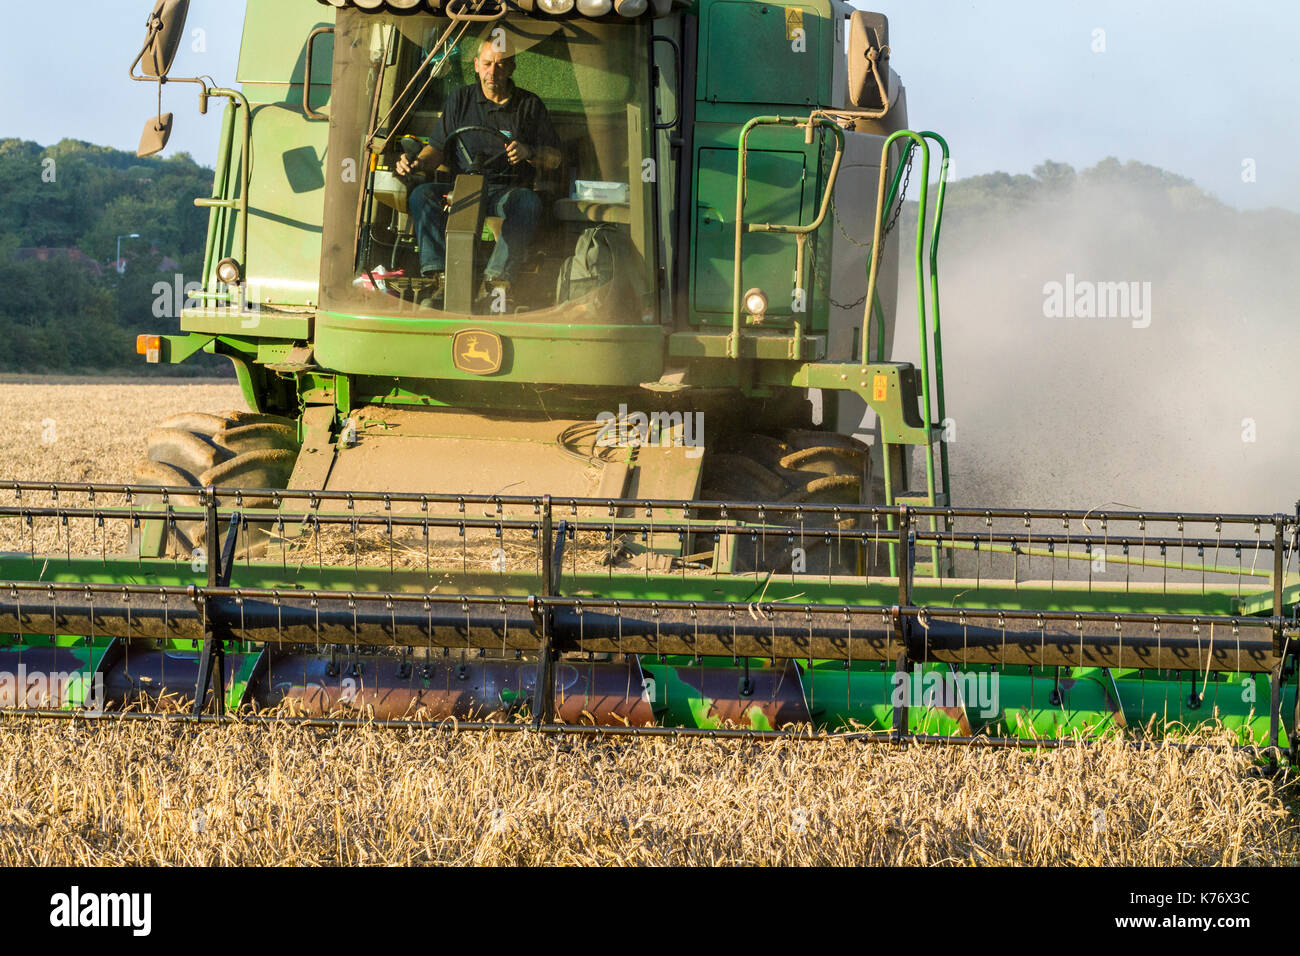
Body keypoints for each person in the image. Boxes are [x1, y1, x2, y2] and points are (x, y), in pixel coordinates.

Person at [397, 38, 562, 307]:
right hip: (460, 189)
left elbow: (555, 159)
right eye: (487, 64)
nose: (492, 72)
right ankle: (440, 278)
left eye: (499, 65)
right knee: (422, 195)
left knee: (527, 202)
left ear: (511, 68)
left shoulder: (529, 106)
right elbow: (436, 149)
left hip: (506, 191)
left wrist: (529, 152)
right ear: (476, 66)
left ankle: (496, 282)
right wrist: (417, 163)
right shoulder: (460, 99)